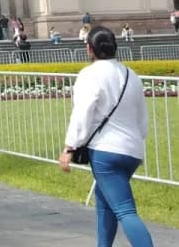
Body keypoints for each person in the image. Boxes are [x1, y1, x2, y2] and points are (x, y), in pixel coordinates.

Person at [59, 26, 152, 247]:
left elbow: (82, 113)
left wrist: (69, 147)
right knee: (104, 202)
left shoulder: (89, 75)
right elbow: (142, 117)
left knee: (125, 210)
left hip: (105, 151)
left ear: (89, 48)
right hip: (132, 149)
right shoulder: (131, 74)